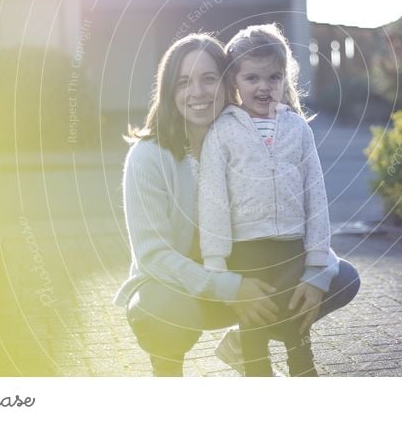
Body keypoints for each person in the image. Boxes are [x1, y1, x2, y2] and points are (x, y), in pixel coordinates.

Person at [114, 33, 360, 377]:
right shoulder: (148, 157)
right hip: (178, 290)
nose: (198, 91)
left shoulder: (247, 140)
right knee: (166, 311)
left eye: (209, 78)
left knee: (341, 277)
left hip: (249, 277)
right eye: (184, 82)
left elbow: (286, 217)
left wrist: (318, 269)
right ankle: (167, 373)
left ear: (228, 83)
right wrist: (230, 288)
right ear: (170, 90)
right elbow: (153, 256)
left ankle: (247, 342)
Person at [198, 24, 329, 377]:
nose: (263, 86)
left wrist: (317, 262)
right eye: (252, 77)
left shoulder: (298, 128)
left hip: (292, 247)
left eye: (273, 77)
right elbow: (212, 200)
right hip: (246, 252)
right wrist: (216, 263)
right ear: (234, 81)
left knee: (298, 328)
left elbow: (316, 196)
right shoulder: (222, 132)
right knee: (254, 329)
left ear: (285, 80)